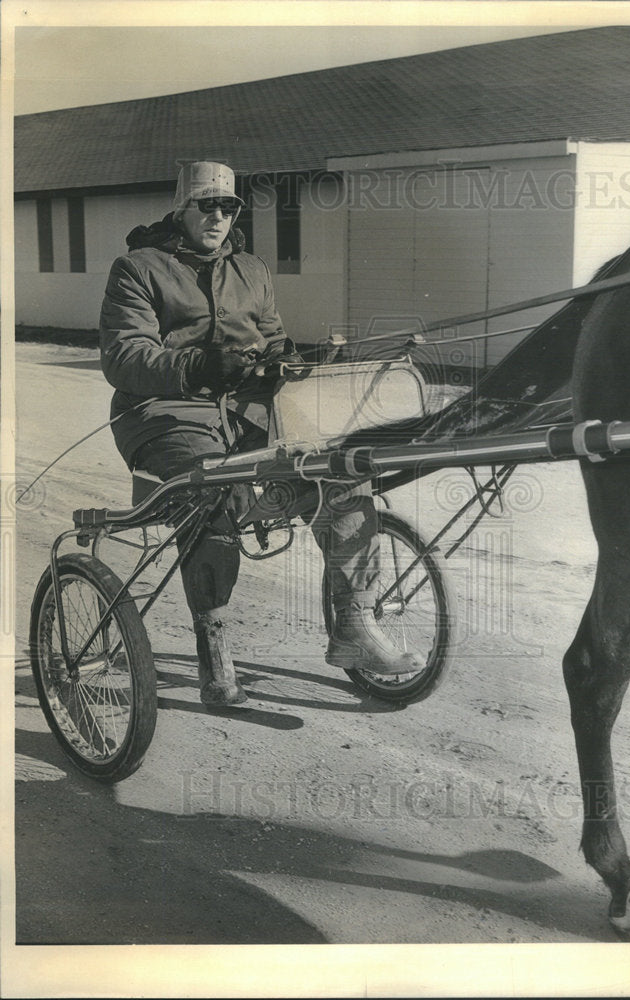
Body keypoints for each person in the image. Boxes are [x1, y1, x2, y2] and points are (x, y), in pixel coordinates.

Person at [99, 160, 422, 708]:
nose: (219, 217)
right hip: (165, 414)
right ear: (181, 208)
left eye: (229, 207)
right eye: (208, 205)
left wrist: (295, 360)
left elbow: (273, 340)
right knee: (216, 495)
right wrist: (199, 366)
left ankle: (354, 625)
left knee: (339, 474)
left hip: (251, 413)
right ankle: (215, 650)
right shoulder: (138, 268)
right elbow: (124, 355)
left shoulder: (252, 269)